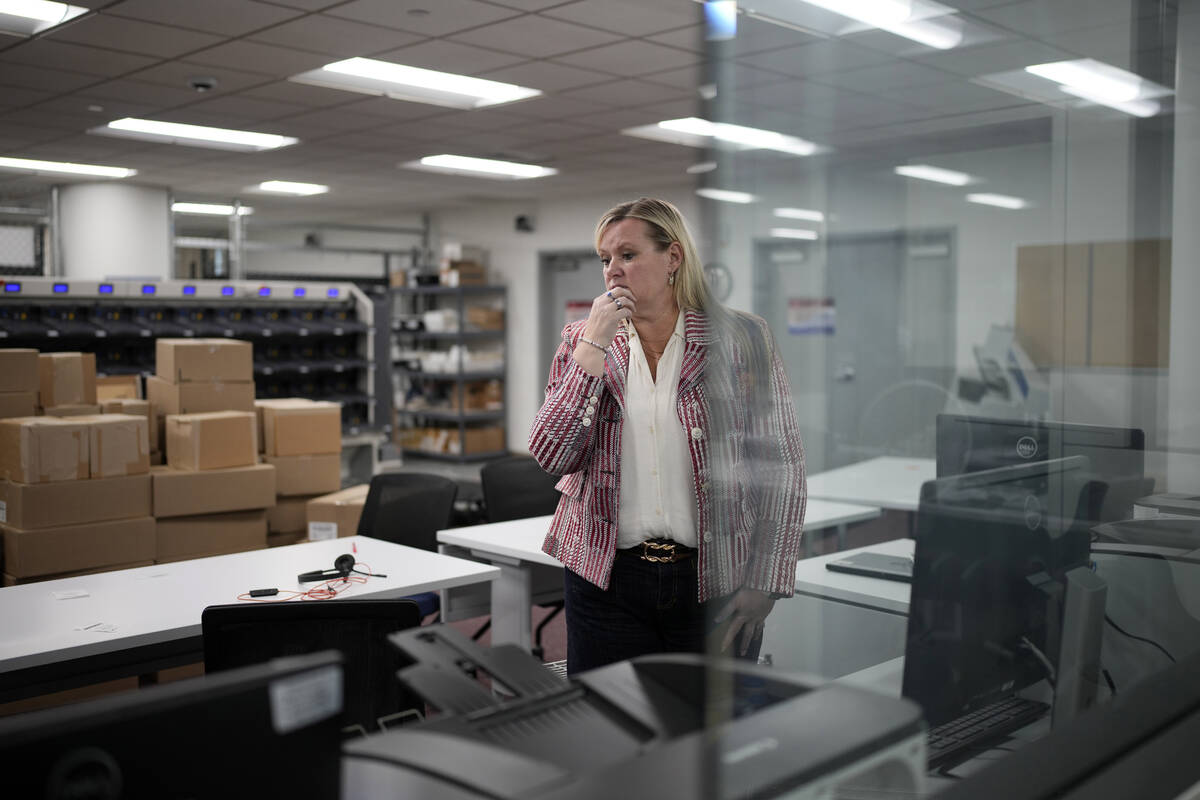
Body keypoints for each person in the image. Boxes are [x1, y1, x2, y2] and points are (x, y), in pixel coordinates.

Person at [528, 197, 807, 674]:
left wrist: (766, 580)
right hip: (604, 577)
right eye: (605, 259)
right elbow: (551, 453)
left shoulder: (742, 339)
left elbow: (781, 466)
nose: (612, 270)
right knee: (612, 728)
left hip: (714, 577)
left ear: (673, 258)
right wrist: (594, 344)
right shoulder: (582, 339)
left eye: (628, 255)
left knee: (707, 737)